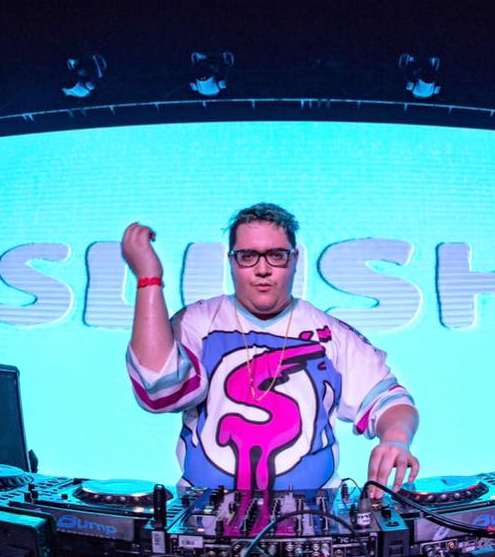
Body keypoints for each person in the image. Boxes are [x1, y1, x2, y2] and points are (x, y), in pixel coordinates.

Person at [122, 203, 419, 497]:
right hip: (203, 510)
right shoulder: (197, 322)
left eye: (276, 255)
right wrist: (149, 279)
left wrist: (395, 438)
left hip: (314, 513)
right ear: (231, 260)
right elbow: (157, 390)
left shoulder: (331, 334)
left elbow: (390, 402)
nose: (262, 269)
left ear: (295, 259)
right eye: (247, 256)